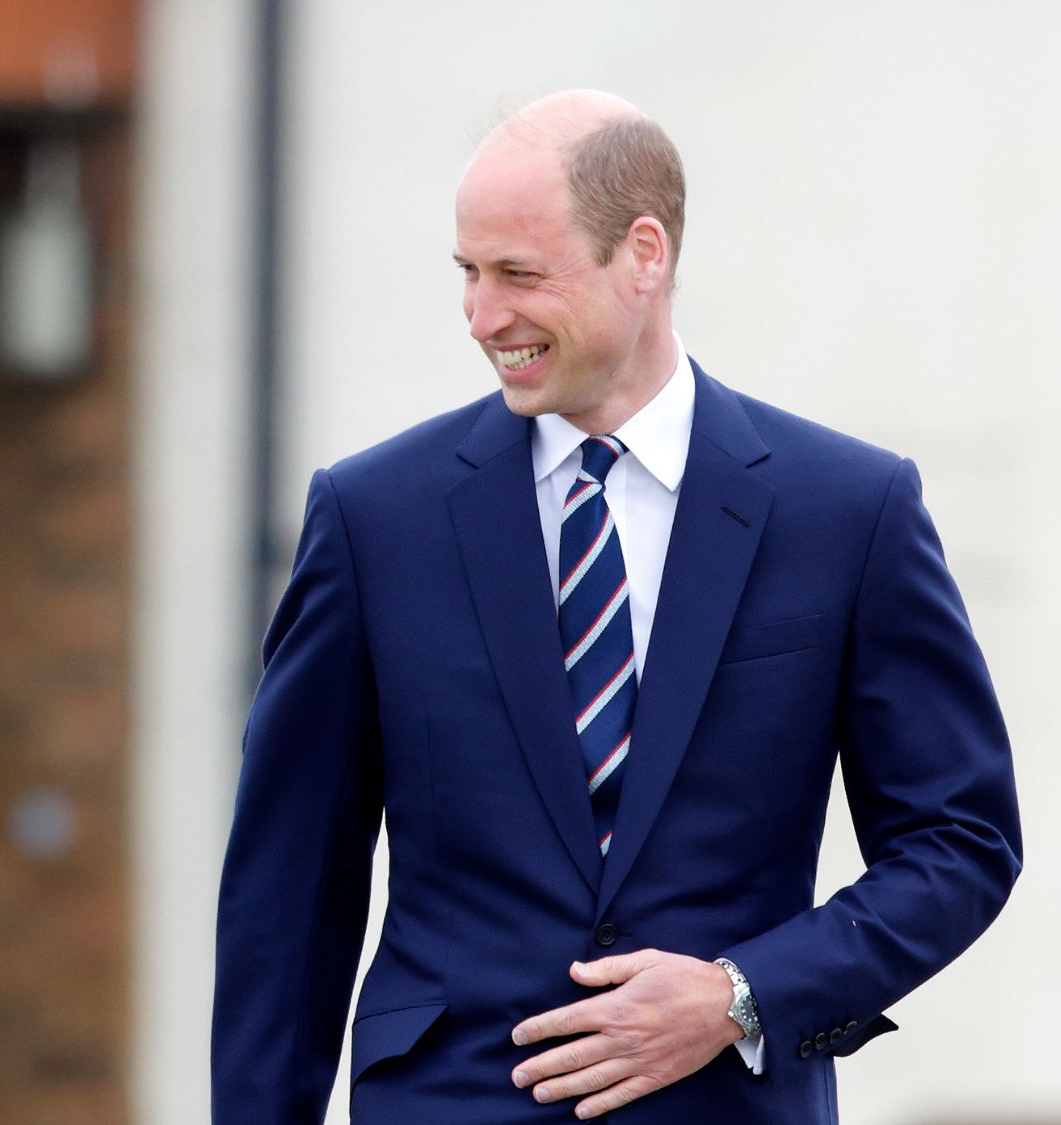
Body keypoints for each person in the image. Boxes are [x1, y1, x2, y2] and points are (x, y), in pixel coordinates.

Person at [212, 91, 1021, 1123]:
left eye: (517, 275)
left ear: (643, 254)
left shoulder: (847, 512)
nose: (481, 316)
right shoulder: (373, 519)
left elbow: (959, 841)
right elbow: (287, 890)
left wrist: (739, 997)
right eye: (466, 273)